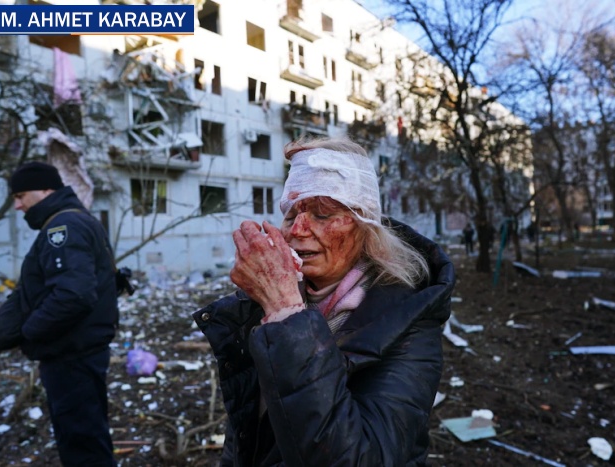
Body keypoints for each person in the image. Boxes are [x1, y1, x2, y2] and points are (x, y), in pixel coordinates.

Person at [193, 137, 455, 466]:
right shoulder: (265, 302)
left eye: (321, 214)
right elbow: (247, 433)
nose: (298, 229)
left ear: (366, 228)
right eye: (290, 216)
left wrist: (286, 312)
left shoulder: (409, 321)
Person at [0, 161, 118, 466]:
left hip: (70, 356)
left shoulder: (64, 227)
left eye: (22, 195)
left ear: (47, 190)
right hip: (77, 352)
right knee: (86, 437)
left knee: (81, 445)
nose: (18, 205)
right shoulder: (73, 221)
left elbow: (73, 294)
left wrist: (29, 332)